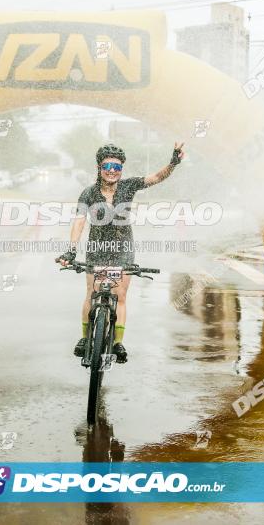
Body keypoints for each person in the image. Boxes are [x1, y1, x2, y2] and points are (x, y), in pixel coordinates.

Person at [57, 142, 186, 363]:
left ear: (121, 170)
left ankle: (117, 342)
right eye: (107, 165)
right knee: (91, 292)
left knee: (121, 295)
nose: (111, 171)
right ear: (99, 167)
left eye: (116, 167)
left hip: (123, 250)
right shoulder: (88, 193)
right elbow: (79, 221)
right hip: (96, 249)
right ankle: (84, 339)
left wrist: (173, 163)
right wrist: (71, 251)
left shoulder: (128, 187)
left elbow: (156, 178)